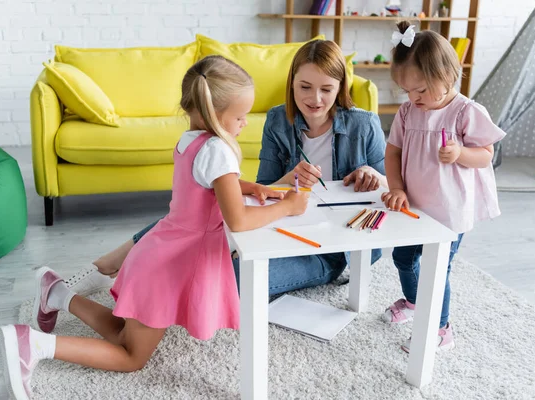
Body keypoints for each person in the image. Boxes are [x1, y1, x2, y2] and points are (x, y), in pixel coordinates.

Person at [0, 55, 310, 400]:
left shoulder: (191, 139)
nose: (243, 124)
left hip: (159, 254)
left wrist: (252, 188)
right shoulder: (219, 150)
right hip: (167, 269)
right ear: (215, 114)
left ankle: (57, 293)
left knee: (123, 334)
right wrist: (287, 206)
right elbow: (238, 220)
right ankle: (35, 345)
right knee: (131, 357)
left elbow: (207, 185)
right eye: (239, 117)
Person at [65, 39, 388, 298]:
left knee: (229, 279)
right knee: (187, 217)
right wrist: (288, 180)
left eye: (326, 89)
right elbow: (263, 188)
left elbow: (388, 193)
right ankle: (106, 266)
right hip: (282, 228)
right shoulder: (279, 120)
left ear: (340, 87)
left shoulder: (365, 124)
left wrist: (376, 178)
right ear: (291, 84)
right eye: (304, 87)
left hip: (335, 247)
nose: (314, 99)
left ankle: (149, 283)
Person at [380, 22, 505, 352]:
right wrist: (396, 188)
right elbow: (392, 152)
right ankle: (414, 303)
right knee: (404, 259)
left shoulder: (465, 112)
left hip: (449, 210)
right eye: (407, 90)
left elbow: (485, 156)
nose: (413, 98)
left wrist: (461, 153)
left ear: (447, 76)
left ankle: (441, 327)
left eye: (420, 90)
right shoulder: (408, 112)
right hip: (413, 206)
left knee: (438, 269)